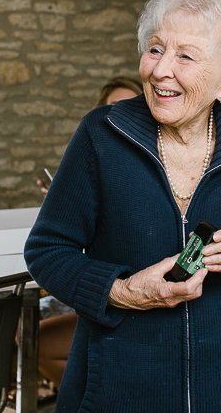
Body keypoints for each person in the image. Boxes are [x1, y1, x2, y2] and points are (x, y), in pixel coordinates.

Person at [25, 0, 221, 413]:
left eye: (185, 56)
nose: (159, 69)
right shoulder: (101, 134)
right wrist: (123, 291)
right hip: (119, 396)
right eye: (155, 48)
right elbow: (47, 250)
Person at [36, 75, 142, 390]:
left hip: (136, 308)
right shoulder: (91, 163)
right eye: (114, 107)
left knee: (36, 338)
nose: (124, 113)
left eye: (132, 106)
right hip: (100, 297)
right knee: (28, 337)